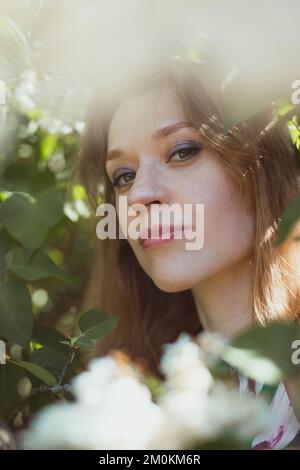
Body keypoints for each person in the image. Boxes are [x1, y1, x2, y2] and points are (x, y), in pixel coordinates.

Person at [76, 57, 300, 449]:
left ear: (262, 166)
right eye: (124, 176)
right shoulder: (140, 403)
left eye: (181, 152)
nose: (141, 195)